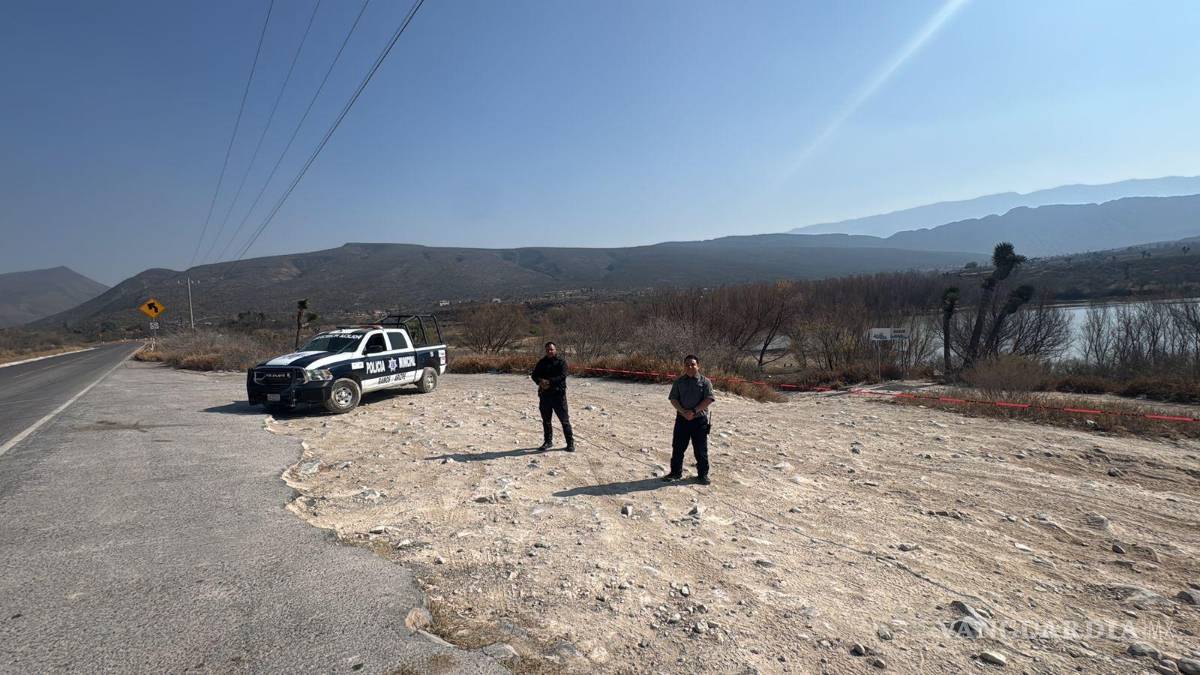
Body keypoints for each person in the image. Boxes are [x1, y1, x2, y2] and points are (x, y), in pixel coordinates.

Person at [662, 354, 715, 485]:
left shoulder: (705, 382)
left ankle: (702, 475)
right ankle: (675, 473)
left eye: (693, 364)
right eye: (687, 365)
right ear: (684, 366)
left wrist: (694, 411)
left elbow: (709, 399)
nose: (690, 367)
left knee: (701, 450)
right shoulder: (679, 382)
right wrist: (683, 412)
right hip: (682, 420)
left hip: (699, 421)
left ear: (698, 366)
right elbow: (673, 399)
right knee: (678, 448)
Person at [531, 341, 574, 452]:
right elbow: (534, 375)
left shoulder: (561, 362)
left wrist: (549, 381)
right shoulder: (542, 362)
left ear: (555, 350)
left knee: (564, 421)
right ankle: (548, 442)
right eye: (548, 350)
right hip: (545, 396)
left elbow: (563, 375)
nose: (550, 351)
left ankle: (570, 443)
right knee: (546, 421)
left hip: (558, 396)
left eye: (551, 349)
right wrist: (539, 381)